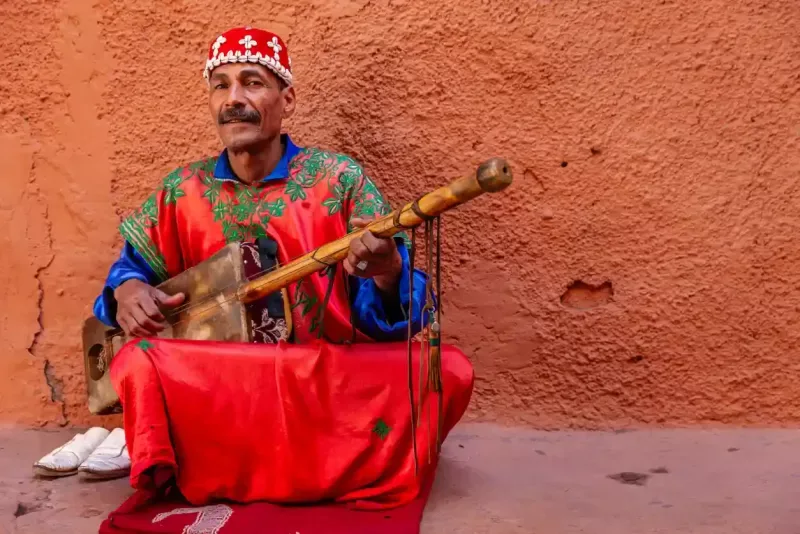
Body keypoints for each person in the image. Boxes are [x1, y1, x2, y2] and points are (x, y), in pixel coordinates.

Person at [90, 26, 474, 533]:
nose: (234, 99)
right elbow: (129, 270)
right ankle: (322, 471)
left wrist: (388, 273)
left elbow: (398, 313)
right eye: (221, 85)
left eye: (252, 83)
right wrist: (127, 290)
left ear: (286, 100)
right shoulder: (182, 190)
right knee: (135, 357)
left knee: (447, 369)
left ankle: (237, 470)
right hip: (221, 387)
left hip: (321, 381)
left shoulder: (339, 180)